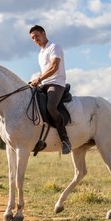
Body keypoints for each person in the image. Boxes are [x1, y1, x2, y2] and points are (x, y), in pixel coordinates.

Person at [29, 25, 72, 154]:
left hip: (56, 83)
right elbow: (43, 70)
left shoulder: (54, 47)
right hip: (44, 83)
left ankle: (65, 140)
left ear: (44, 33)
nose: (35, 39)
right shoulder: (40, 53)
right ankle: (39, 139)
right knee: (32, 104)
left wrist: (39, 79)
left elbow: (54, 67)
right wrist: (36, 81)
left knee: (51, 107)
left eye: (37, 36)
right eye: (32, 38)